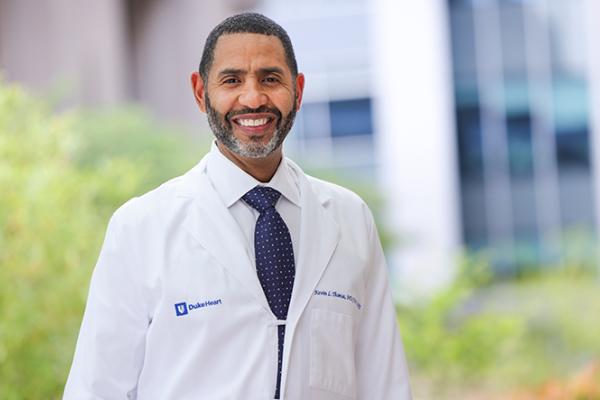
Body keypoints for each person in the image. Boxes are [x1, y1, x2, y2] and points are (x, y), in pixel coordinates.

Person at [64, 12, 412, 400]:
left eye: (270, 79)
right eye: (232, 80)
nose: (252, 98)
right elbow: (96, 389)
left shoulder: (350, 218)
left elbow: (384, 382)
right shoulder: (141, 227)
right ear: (200, 92)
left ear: (297, 90)